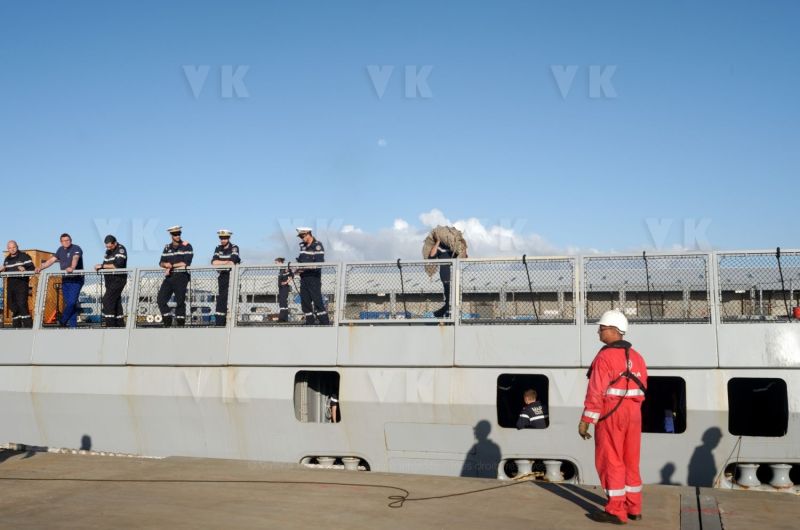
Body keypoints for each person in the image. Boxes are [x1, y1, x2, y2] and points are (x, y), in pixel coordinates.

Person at [579, 310, 648, 525]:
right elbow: (643, 388)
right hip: (634, 414)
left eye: (601, 327)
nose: (598, 331)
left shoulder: (604, 356)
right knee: (631, 461)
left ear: (612, 330)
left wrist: (586, 420)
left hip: (611, 414)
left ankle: (616, 511)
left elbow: (596, 391)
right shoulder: (637, 357)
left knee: (611, 460)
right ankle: (634, 507)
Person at [37, 233, 84, 328]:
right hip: (66, 280)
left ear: (71, 240)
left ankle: (63, 320)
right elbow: (51, 261)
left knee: (72, 302)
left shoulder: (76, 248)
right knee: (70, 305)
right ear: (61, 242)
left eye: (68, 240)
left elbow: (75, 258)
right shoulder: (60, 250)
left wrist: (72, 267)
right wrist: (40, 267)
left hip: (76, 279)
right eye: (64, 241)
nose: (66, 242)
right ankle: (73, 327)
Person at [157, 226, 193, 327]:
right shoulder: (167, 247)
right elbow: (161, 262)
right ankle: (167, 320)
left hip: (181, 277)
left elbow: (186, 262)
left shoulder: (187, 246)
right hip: (169, 277)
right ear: (171, 235)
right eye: (175, 234)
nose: (177, 236)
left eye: (178, 234)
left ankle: (180, 324)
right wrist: (166, 265)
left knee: (180, 301)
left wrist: (171, 266)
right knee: (160, 300)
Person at [295, 228, 330, 325]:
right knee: (305, 302)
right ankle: (309, 323)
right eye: (300, 237)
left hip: (313, 278)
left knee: (317, 301)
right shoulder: (302, 246)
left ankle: (325, 324)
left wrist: (305, 267)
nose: (302, 239)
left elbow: (319, 264)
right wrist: (297, 269)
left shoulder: (317, 245)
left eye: (303, 236)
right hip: (304, 278)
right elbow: (301, 261)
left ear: (308, 234)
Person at [427, 234, 465, 317]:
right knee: (448, 298)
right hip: (445, 275)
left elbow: (463, 255)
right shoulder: (439, 248)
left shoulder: (452, 247)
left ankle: (444, 313)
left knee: (455, 297)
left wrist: (461, 242)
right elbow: (432, 256)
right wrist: (438, 242)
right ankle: (442, 314)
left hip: (456, 275)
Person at [94, 235, 128, 328]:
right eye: (107, 246)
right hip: (109, 280)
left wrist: (101, 266)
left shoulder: (121, 249)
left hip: (118, 279)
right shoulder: (108, 252)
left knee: (107, 300)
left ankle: (110, 325)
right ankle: (120, 325)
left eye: (110, 246)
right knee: (115, 301)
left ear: (115, 243)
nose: (108, 248)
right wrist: (101, 267)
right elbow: (106, 264)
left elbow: (118, 265)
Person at [0, 241, 35, 328]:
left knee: (22, 304)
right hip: (11, 284)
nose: (12, 249)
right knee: (12, 305)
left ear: (17, 246)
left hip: (21, 284)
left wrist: (25, 269)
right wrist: (2, 270)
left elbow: (32, 268)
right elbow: (5, 271)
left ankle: (28, 327)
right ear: (8, 249)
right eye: (10, 248)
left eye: (13, 247)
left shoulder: (24, 256)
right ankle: (16, 327)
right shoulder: (7, 259)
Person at [210, 229, 240, 327]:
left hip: (232, 277)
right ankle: (220, 324)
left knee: (231, 300)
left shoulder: (234, 248)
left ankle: (232, 323)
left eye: (225, 238)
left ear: (229, 238)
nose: (223, 240)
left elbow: (232, 262)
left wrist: (221, 263)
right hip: (222, 276)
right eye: (221, 238)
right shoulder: (218, 248)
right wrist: (226, 263)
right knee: (221, 300)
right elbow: (213, 262)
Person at [275, 257, 292, 322]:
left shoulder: (285, 268)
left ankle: (282, 318)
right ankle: (285, 318)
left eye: (276, 263)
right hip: (281, 288)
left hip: (284, 288)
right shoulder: (280, 270)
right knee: (283, 302)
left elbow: (291, 276)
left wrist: (286, 282)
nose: (276, 264)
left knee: (283, 301)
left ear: (280, 262)